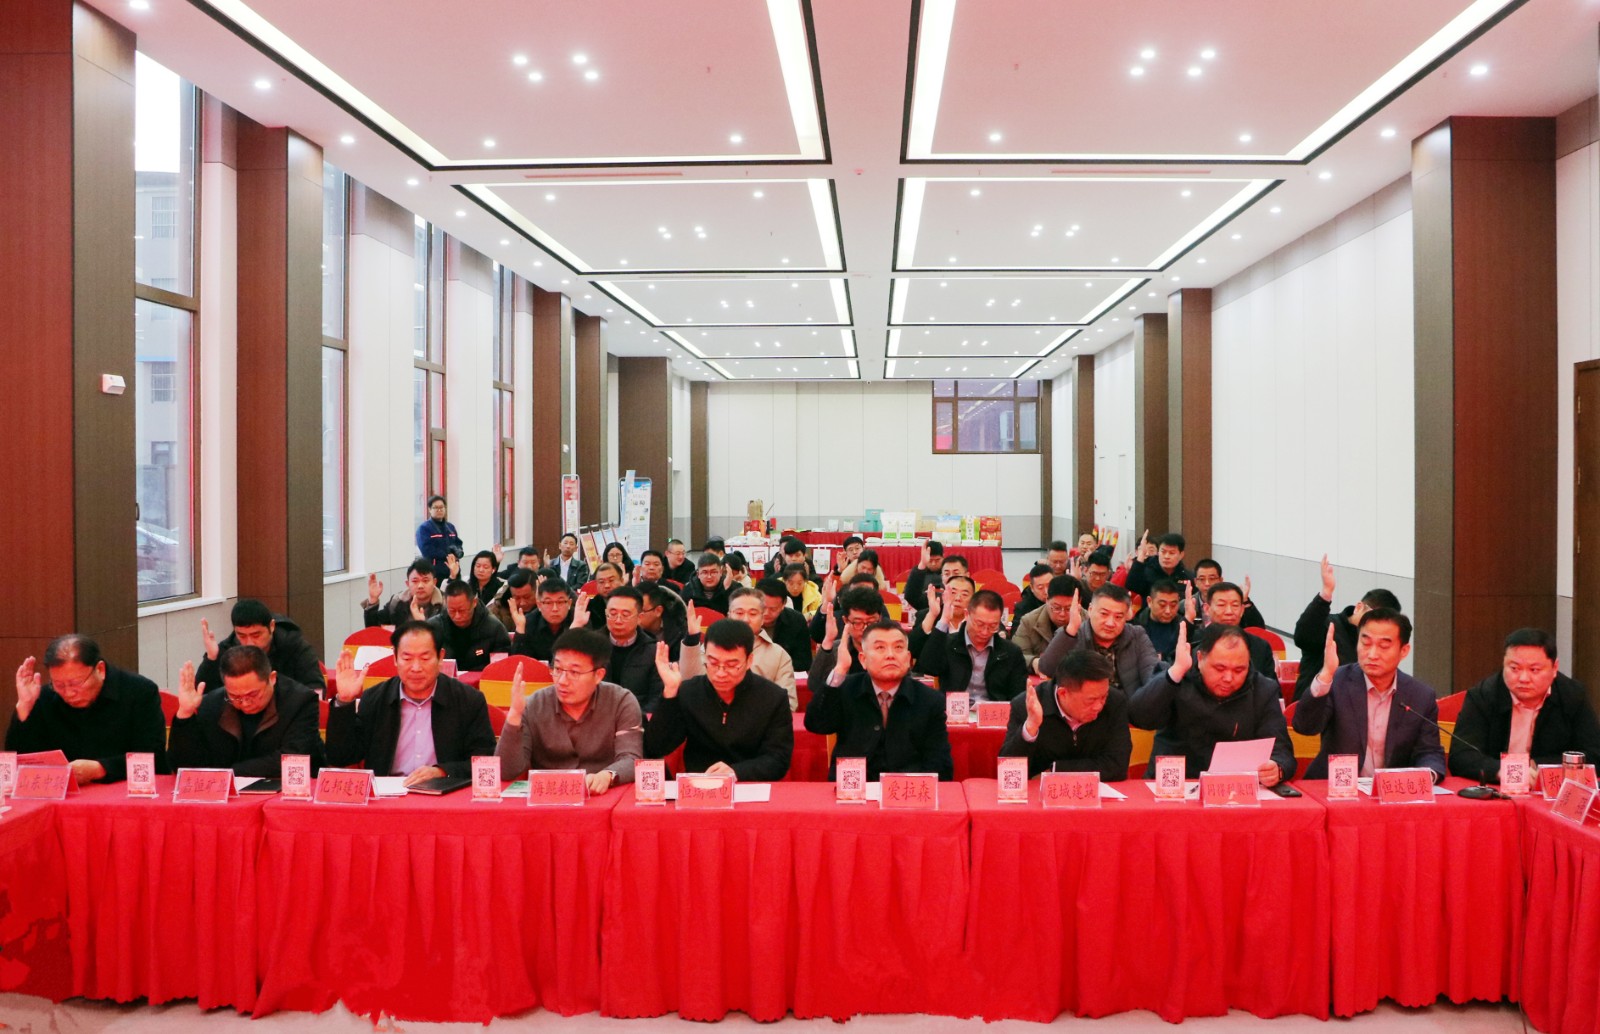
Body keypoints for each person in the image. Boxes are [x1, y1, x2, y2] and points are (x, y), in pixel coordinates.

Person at [325, 621, 496, 786]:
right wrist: (345, 701)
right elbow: (341, 757)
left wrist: (443, 771)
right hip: (388, 797)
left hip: (445, 794)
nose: (416, 668)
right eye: (407, 658)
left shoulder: (468, 700)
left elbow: (484, 761)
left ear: (440, 657)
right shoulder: (375, 699)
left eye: (425, 658)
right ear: (395, 658)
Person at [1128, 623, 1295, 784]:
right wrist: (1176, 672)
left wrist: (1277, 768)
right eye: (1220, 669)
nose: (1228, 678)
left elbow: (1282, 750)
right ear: (1200, 658)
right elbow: (1140, 717)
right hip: (1175, 785)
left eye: (1239, 670)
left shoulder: (1262, 690)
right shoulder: (1178, 678)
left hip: (1234, 788)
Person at [1293, 609, 1444, 781]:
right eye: (1365, 643)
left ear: (1404, 651)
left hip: (1392, 792)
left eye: (1384, 646)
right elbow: (1305, 726)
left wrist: (1426, 777)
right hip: (1337, 789)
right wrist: (1326, 674)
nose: (1372, 655)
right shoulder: (1337, 681)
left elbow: (1429, 751)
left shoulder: (1420, 696)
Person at [494, 629, 642, 792]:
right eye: (558, 669)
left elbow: (631, 758)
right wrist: (514, 716)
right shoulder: (535, 704)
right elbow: (506, 772)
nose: (562, 681)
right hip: (549, 796)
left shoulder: (621, 701)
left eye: (574, 672)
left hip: (602, 794)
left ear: (598, 675)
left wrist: (608, 775)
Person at [804, 619, 953, 780]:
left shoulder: (930, 700)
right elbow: (816, 724)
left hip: (906, 788)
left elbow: (939, 763)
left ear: (908, 658)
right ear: (863, 659)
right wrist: (840, 670)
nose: (890, 655)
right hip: (854, 788)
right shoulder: (845, 689)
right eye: (880, 648)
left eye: (898, 647)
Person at [644, 619, 793, 780]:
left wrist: (736, 772)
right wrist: (670, 692)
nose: (721, 673)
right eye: (713, 663)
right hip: (699, 784)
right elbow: (655, 748)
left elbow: (778, 759)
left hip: (750, 784)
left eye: (731, 665)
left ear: (749, 660)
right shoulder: (690, 692)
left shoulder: (773, 697)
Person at [7, 635, 168, 783]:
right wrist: (24, 706)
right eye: (59, 685)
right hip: (63, 797)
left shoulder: (139, 692)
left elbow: (154, 757)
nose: (69, 693)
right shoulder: (44, 697)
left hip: (123, 793)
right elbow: (19, 762)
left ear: (100, 670)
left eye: (76, 684)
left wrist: (101, 768)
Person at [1448, 628, 1600, 784]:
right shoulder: (1483, 696)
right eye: (1514, 668)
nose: (1523, 678)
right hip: (1496, 789)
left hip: (1548, 790)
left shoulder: (1572, 696)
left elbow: (1594, 755)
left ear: (1554, 668)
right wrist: (1503, 771)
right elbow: (1460, 756)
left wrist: (1536, 765)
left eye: (1534, 670)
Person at [167, 646, 325, 775]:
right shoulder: (212, 703)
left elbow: (293, 758)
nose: (245, 703)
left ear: (272, 678)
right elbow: (185, 766)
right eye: (235, 696)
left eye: (253, 694)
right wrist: (185, 714)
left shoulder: (300, 701)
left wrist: (227, 773)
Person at [1001, 650, 1131, 780]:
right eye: (1091, 700)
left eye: (1103, 697)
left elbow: (1118, 765)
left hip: (1097, 791)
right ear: (1063, 693)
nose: (1099, 706)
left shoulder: (1115, 702)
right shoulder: (1027, 705)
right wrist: (1030, 727)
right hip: (1037, 791)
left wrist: (1056, 770)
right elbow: (1008, 770)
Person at [1291, 555, 1403, 700]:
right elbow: (1302, 636)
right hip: (1316, 704)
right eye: (1374, 617)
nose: (1376, 626)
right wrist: (1325, 594)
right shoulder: (1329, 625)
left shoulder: (1378, 647)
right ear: (1359, 607)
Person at [680, 588, 798, 709]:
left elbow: (788, 704)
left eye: (753, 614)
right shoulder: (712, 647)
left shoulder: (778, 655)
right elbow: (691, 685)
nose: (745, 619)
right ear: (729, 615)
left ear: (763, 618)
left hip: (760, 718)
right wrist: (692, 639)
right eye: (739, 613)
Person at [1036, 584, 1163, 694]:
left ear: (1127, 616)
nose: (1110, 623)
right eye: (1104, 614)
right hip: (1084, 708)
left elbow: (1152, 675)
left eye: (1118, 617)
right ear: (1090, 610)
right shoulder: (1071, 635)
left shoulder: (1137, 635)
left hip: (1128, 706)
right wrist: (1071, 629)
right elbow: (1047, 668)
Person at [914, 588, 1027, 703]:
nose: (985, 632)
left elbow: (1018, 696)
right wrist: (944, 621)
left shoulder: (1011, 652)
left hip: (993, 711)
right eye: (979, 624)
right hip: (954, 710)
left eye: (993, 626)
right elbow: (928, 667)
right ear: (967, 615)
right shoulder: (950, 644)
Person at [194, 598, 324, 692]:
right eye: (242, 636)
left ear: (271, 626)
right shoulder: (227, 649)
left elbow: (315, 688)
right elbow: (202, 692)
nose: (249, 643)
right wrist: (212, 659)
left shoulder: (295, 646)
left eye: (256, 635)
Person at [574, 584, 663, 713]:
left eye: (625, 615)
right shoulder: (591, 645)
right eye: (613, 614)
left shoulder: (654, 650)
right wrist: (576, 626)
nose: (618, 620)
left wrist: (635, 719)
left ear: (639, 618)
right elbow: (562, 669)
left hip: (637, 717)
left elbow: (656, 698)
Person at [1187, 582, 1275, 678]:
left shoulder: (1260, 647)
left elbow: (1270, 685)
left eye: (1235, 605)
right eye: (1221, 605)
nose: (1229, 611)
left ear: (1242, 610)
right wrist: (1187, 619)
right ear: (1207, 609)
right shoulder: (1192, 642)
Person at [808, 586, 887, 686]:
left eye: (871, 622)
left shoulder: (891, 649)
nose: (865, 629)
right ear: (845, 620)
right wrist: (828, 640)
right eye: (858, 623)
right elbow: (814, 686)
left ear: (880, 619)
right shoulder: (835, 649)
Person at [429, 579, 512, 672]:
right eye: (452, 611)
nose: (457, 616)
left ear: (474, 602)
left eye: (462, 610)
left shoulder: (494, 628)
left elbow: (501, 668)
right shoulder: (434, 627)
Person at [1013, 575, 1085, 675]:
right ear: (1047, 600)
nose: (1062, 614)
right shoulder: (1029, 621)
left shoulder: (1089, 621)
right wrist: (1033, 662)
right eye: (1056, 608)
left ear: (1079, 602)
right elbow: (1015, 655)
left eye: (1068, 608)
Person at [507, 575, 574, 661]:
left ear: (569, 603)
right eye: (548, 602)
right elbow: (518, 662)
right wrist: (520, 628)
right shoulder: (528, 622)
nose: (555, 609)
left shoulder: (578, 619)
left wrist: (576, 627)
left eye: (560, 602)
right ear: (539, 605)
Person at [362, 559, 445, 627]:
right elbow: (373, 630)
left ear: (434, 582)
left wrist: (421, 624)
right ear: (407, 584)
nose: (420, 586)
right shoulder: (397, 601)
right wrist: (373, 600)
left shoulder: (446, 603)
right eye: (415, 581)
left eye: (425, 581)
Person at [911, 574, 974, 660]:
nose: (958, 598)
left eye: (964, 594)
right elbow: (912, 650)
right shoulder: (927, 615)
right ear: (944, 595)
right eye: (953, 592)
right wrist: (932, 615)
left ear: (973, 599)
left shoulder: (979, 620)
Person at [758, 577, 814, 674]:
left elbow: (804, 662)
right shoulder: (743, 620)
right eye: (762, 607)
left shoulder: (796, 621)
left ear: (783, 604)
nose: (766, 613)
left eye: (773, 609)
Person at [1189, 559, 1266, 628]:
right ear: (1195, 582)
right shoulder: (1187, 605)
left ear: (1220, 580)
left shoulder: (1235, 600)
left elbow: (1258, 629)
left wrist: (1245, 601)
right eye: (1202, 579)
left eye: (1212, 578)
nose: (1207, 583)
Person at [1124, 531, 1194, 599]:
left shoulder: (1187, 576)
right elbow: (1132, 586)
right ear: (1158, 552)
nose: (1166, 556)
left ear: (1181, 555)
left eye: (1172, 553)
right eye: (1163, 552)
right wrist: (1141, 555)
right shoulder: (1147, 572)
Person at [414, 495, 464, 584]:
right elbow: (427, 550)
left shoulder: (450, 527)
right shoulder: (424, 528)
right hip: (435, 572)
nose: (439, 510)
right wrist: (448, 554)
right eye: (436, 508)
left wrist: (458, 551)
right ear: (429, 509)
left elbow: (458, 543)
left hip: (454, 569)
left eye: (441, 507)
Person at [1132, 579, 1183, 662]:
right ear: (1149, 601)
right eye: (1162, 605)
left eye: (1173, 605)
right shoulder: (1136, 626)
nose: (1168, 611)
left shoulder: (1183, 626)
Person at [636, 579, 689, 659]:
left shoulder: (680, 629)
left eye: (641, 611)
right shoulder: (630, 630)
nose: (635, 615)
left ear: (658, 611)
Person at [489, 569, 537, 634]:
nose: (522, 603)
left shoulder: (547, 608)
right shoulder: (498, 611)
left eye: (527, 597)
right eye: (517, 598)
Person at [1010, 563, 1052, 634]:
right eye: (1040, 588)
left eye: (1049, 585)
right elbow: (1016, 635)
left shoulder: (1063, 600)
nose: (1046, 592)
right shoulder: (1023, 608)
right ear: (1032, 588)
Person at [902, 539, 944, 604]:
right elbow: (909, 596)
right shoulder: (918, 575)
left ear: (943, 557)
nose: (933, 564)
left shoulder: (949, 572)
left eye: (937, 560)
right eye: (930, 560)